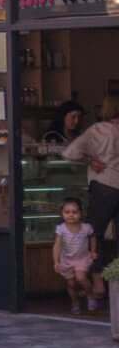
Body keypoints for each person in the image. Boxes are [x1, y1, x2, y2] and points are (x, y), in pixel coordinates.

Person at [64, 96, 119, 265]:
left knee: (93, 233)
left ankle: (96, 275)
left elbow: (70, 153)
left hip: (105, 185)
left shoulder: (99, 130)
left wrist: (90, 161)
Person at [53, 197, 100, 316]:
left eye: (75, 212)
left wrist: (93, 251)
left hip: (82, 258)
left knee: (81, 278)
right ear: (62, 213)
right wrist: (56, 261)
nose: (71, 215)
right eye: (67, 212)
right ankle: (75, 303)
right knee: (71, 284)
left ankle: (90, 296)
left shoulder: (86, 227)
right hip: (66, 260)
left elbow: (93, 237)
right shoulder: (61, 229)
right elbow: (57, 245)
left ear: (81, 213)